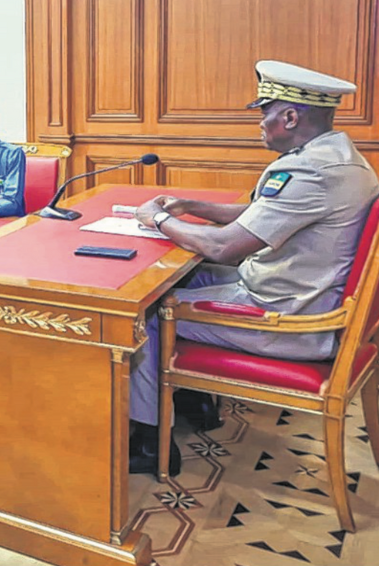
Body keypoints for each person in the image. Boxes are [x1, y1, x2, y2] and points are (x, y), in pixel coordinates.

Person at [128, 60, 379, 476]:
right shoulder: (339, 158)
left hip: (292, 317)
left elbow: (225, 248)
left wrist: (155, 220)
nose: (260, 122)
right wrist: (191, 206)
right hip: (303, 291)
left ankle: (151, 442)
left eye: (264, 112)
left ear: (291, 116)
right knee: (188, 275)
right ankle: (195, 403)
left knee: (146, 312)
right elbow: (262, 213)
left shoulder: (308, 170)